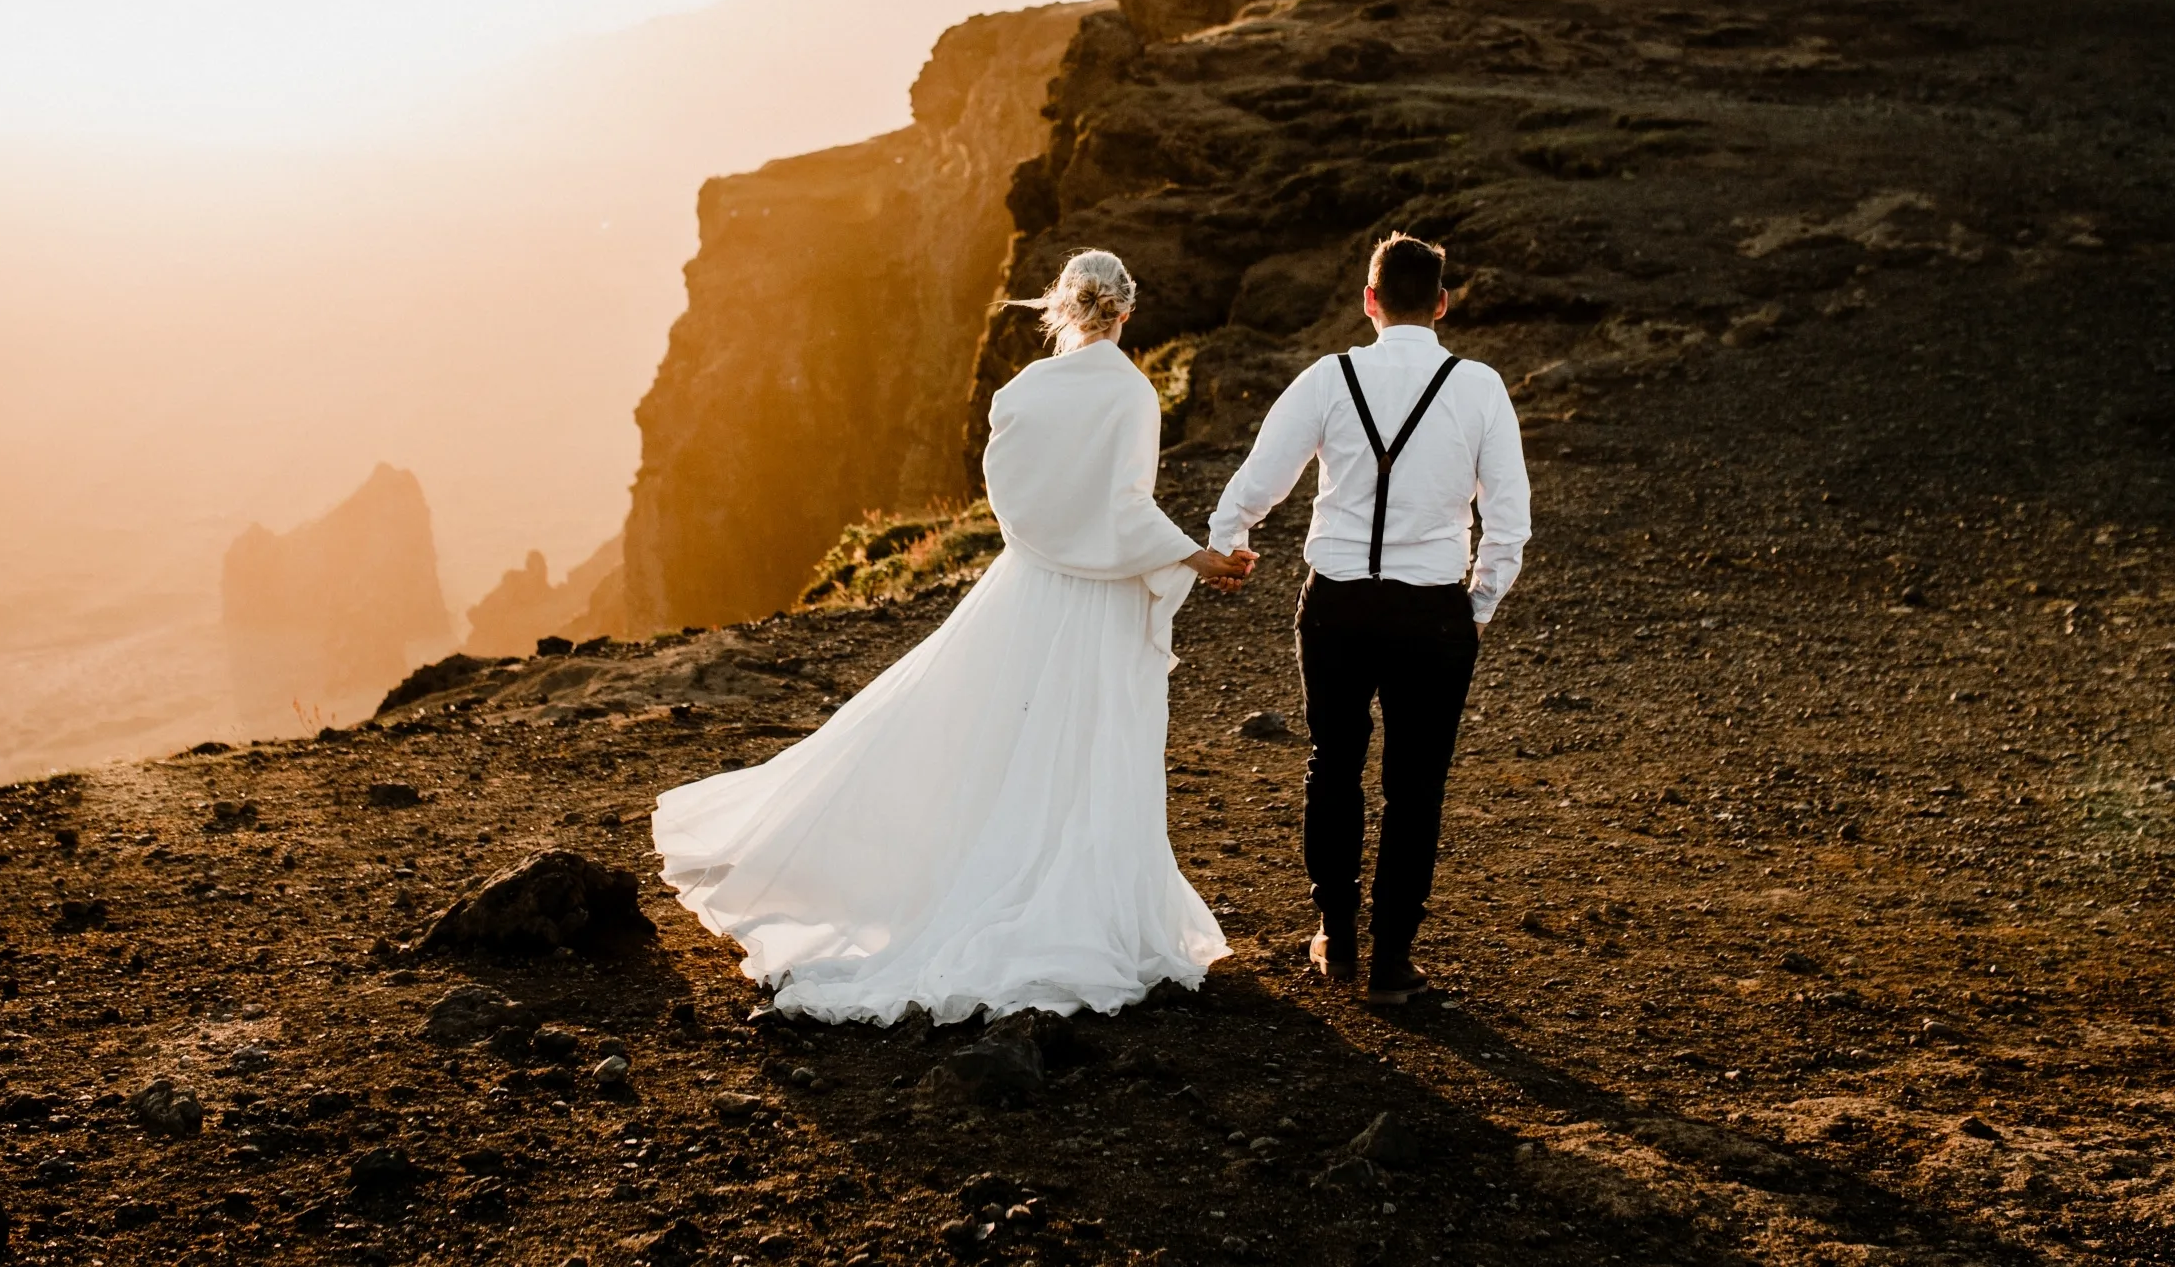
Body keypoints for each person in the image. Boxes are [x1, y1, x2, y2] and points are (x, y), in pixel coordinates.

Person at [651, 248, 1255, 1023]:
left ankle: (961, 876)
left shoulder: (1025, 390)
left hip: (1026, 586)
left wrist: (1051, 542)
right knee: (1087, 744)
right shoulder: (1132, 394)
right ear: (1126, 312)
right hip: (1096, 604)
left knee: (991, 737)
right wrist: (1198, 557)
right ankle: (1077, 903)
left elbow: (1009, 493)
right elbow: (1127, 508)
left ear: (1061, 306)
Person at [1206, 232, 1530, 1004]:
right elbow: (1509, 517)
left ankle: (1336, 934)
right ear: (1442, 303)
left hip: (1339, 604)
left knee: (1333, 765)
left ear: (1369, 300)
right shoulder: (1480, 385)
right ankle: (1392, 963)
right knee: (1416, 786)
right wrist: (1477, 602)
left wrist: (1229, 543)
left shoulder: (1329, 376)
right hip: (1432, 611)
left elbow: (1261, 476)